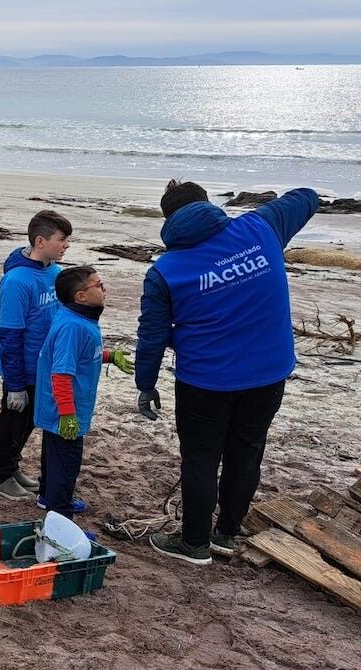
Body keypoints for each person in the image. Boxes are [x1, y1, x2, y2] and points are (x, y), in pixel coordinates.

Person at [137, 180, 319, 565]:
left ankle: (195, 543)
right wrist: (262, 202)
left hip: (206, 381)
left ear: (168, 218)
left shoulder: (166, 270)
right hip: (268, 374)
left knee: (201, 458)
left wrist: (146, 383)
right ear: (208, 204)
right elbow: (307, 196)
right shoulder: (260, 227)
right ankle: (226, 534)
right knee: (246, 452)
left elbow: (152, 335)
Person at [34, 266, 134, 518]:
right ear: (81, 296)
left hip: (64, 406)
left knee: (54, 456)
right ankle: (60, 513)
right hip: (64, 409)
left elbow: (79, 357)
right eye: (98, 285)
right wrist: (67, 414)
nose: (104, 289)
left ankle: (47, 497)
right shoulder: (73, 326)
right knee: (66, 463)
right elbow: (61, 373)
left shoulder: (77, 318)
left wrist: (109, 356)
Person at [0, 210, 72, 501]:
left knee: (29, 422)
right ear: (40, 241)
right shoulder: (17, 281)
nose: (66, 245)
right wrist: (14, 384)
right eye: (61, 240)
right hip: (21, 367)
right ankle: (0, 475)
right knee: (13, 420)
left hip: (45, 365)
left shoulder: (54, 272)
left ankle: (12, 468)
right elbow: (9, 334)